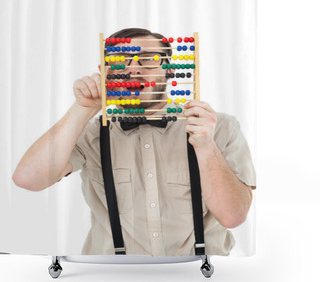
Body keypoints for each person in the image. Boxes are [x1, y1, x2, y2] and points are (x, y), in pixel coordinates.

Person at [12, 28, 256, 256]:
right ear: (107, 72)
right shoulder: (90, 133)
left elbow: (233, 216)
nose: (135, 69)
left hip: (199, 273)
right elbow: (28, 179)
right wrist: (82, 108)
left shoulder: (218, 127)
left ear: (170, 69)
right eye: (121, 62)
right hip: (111, 274)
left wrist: (205, 148)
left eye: (149, 59)